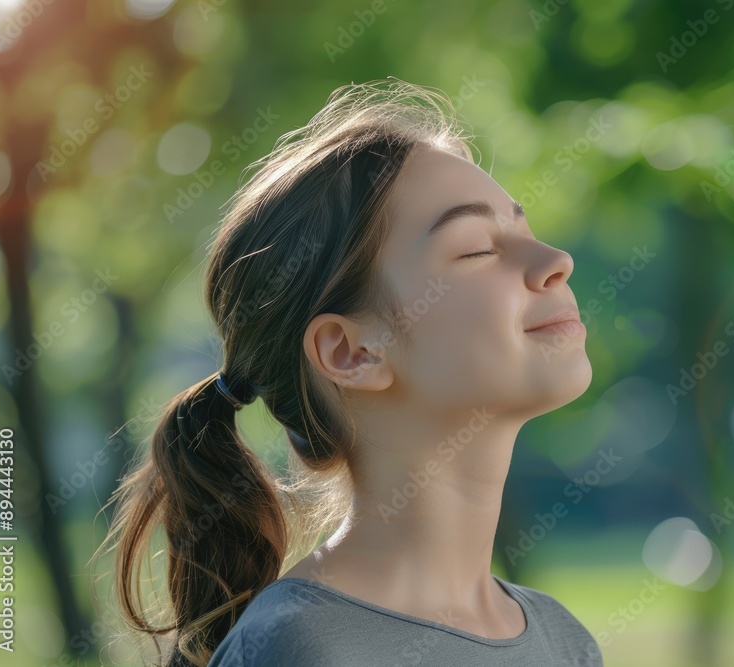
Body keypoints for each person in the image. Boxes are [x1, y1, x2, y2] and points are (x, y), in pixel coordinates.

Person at [95, 78, 601, 666]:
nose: (555, 261)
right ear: (351, 351)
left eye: (524, 230)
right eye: (475, 249)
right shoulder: (297, 650)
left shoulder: (566, 643)